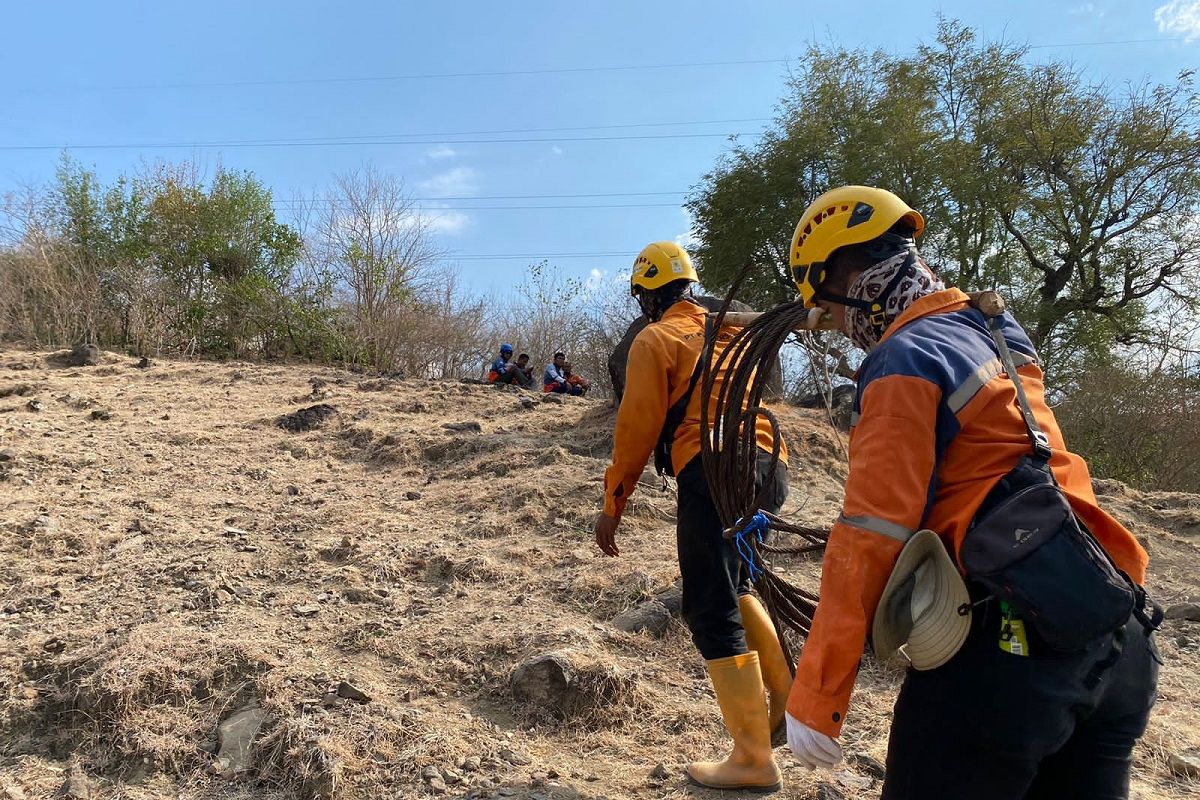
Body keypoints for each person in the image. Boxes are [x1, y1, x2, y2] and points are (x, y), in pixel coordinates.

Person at [783, 186, 1160, 799]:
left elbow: (873, 530)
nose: (842, 327)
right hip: (1120, 633)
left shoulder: (903, 359)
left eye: (830, 306)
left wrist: (820, 694)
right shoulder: (996, 329)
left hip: (1010, 656)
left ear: (849, 276)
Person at [594, 241, 792, 792]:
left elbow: (635, 430)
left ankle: (754, 757)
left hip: (713, 468)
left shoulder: (656, 340)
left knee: (707, 606)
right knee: (737, 581)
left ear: (646, 297)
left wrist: (613, 505)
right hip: (769, 465)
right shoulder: (731, 329)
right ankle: (786, 702)